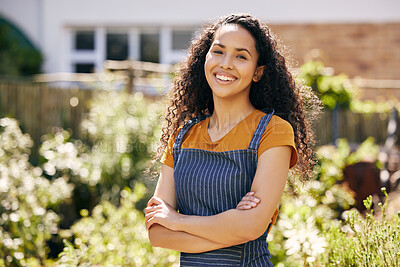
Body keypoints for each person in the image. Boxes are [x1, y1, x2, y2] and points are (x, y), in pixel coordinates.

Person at [145, 13, 319, 266]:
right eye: (218, 52)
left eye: (241, 56)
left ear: (258, 72)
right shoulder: (182, 136)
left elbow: (250, 225)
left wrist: (179, 221)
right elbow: (158, 233)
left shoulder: (274, 131)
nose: (226, 64)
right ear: (204, 59)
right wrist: (236, 228)